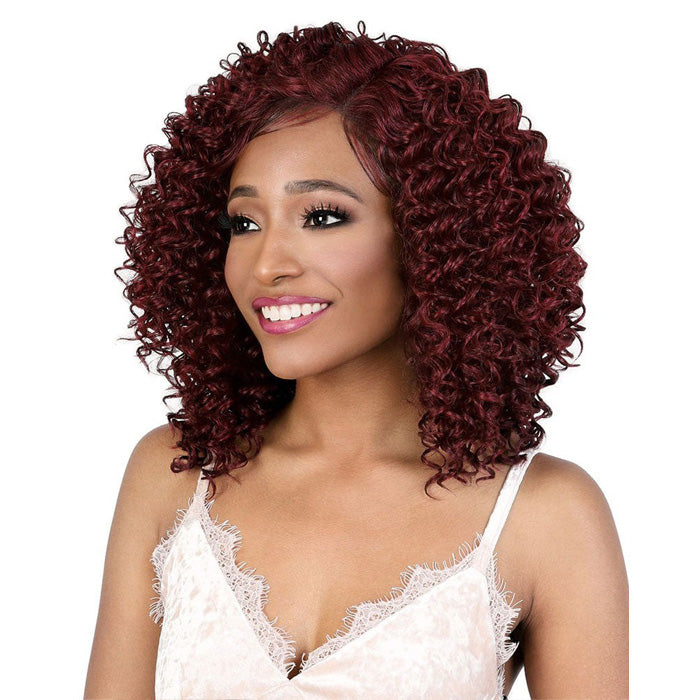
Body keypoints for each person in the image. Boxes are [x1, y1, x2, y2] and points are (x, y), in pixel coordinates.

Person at [84, 20, 629, 700]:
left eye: (322, 216)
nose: (266, 264)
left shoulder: (545, 517)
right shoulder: (176, 474)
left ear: (434, 236)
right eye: (244, 223)